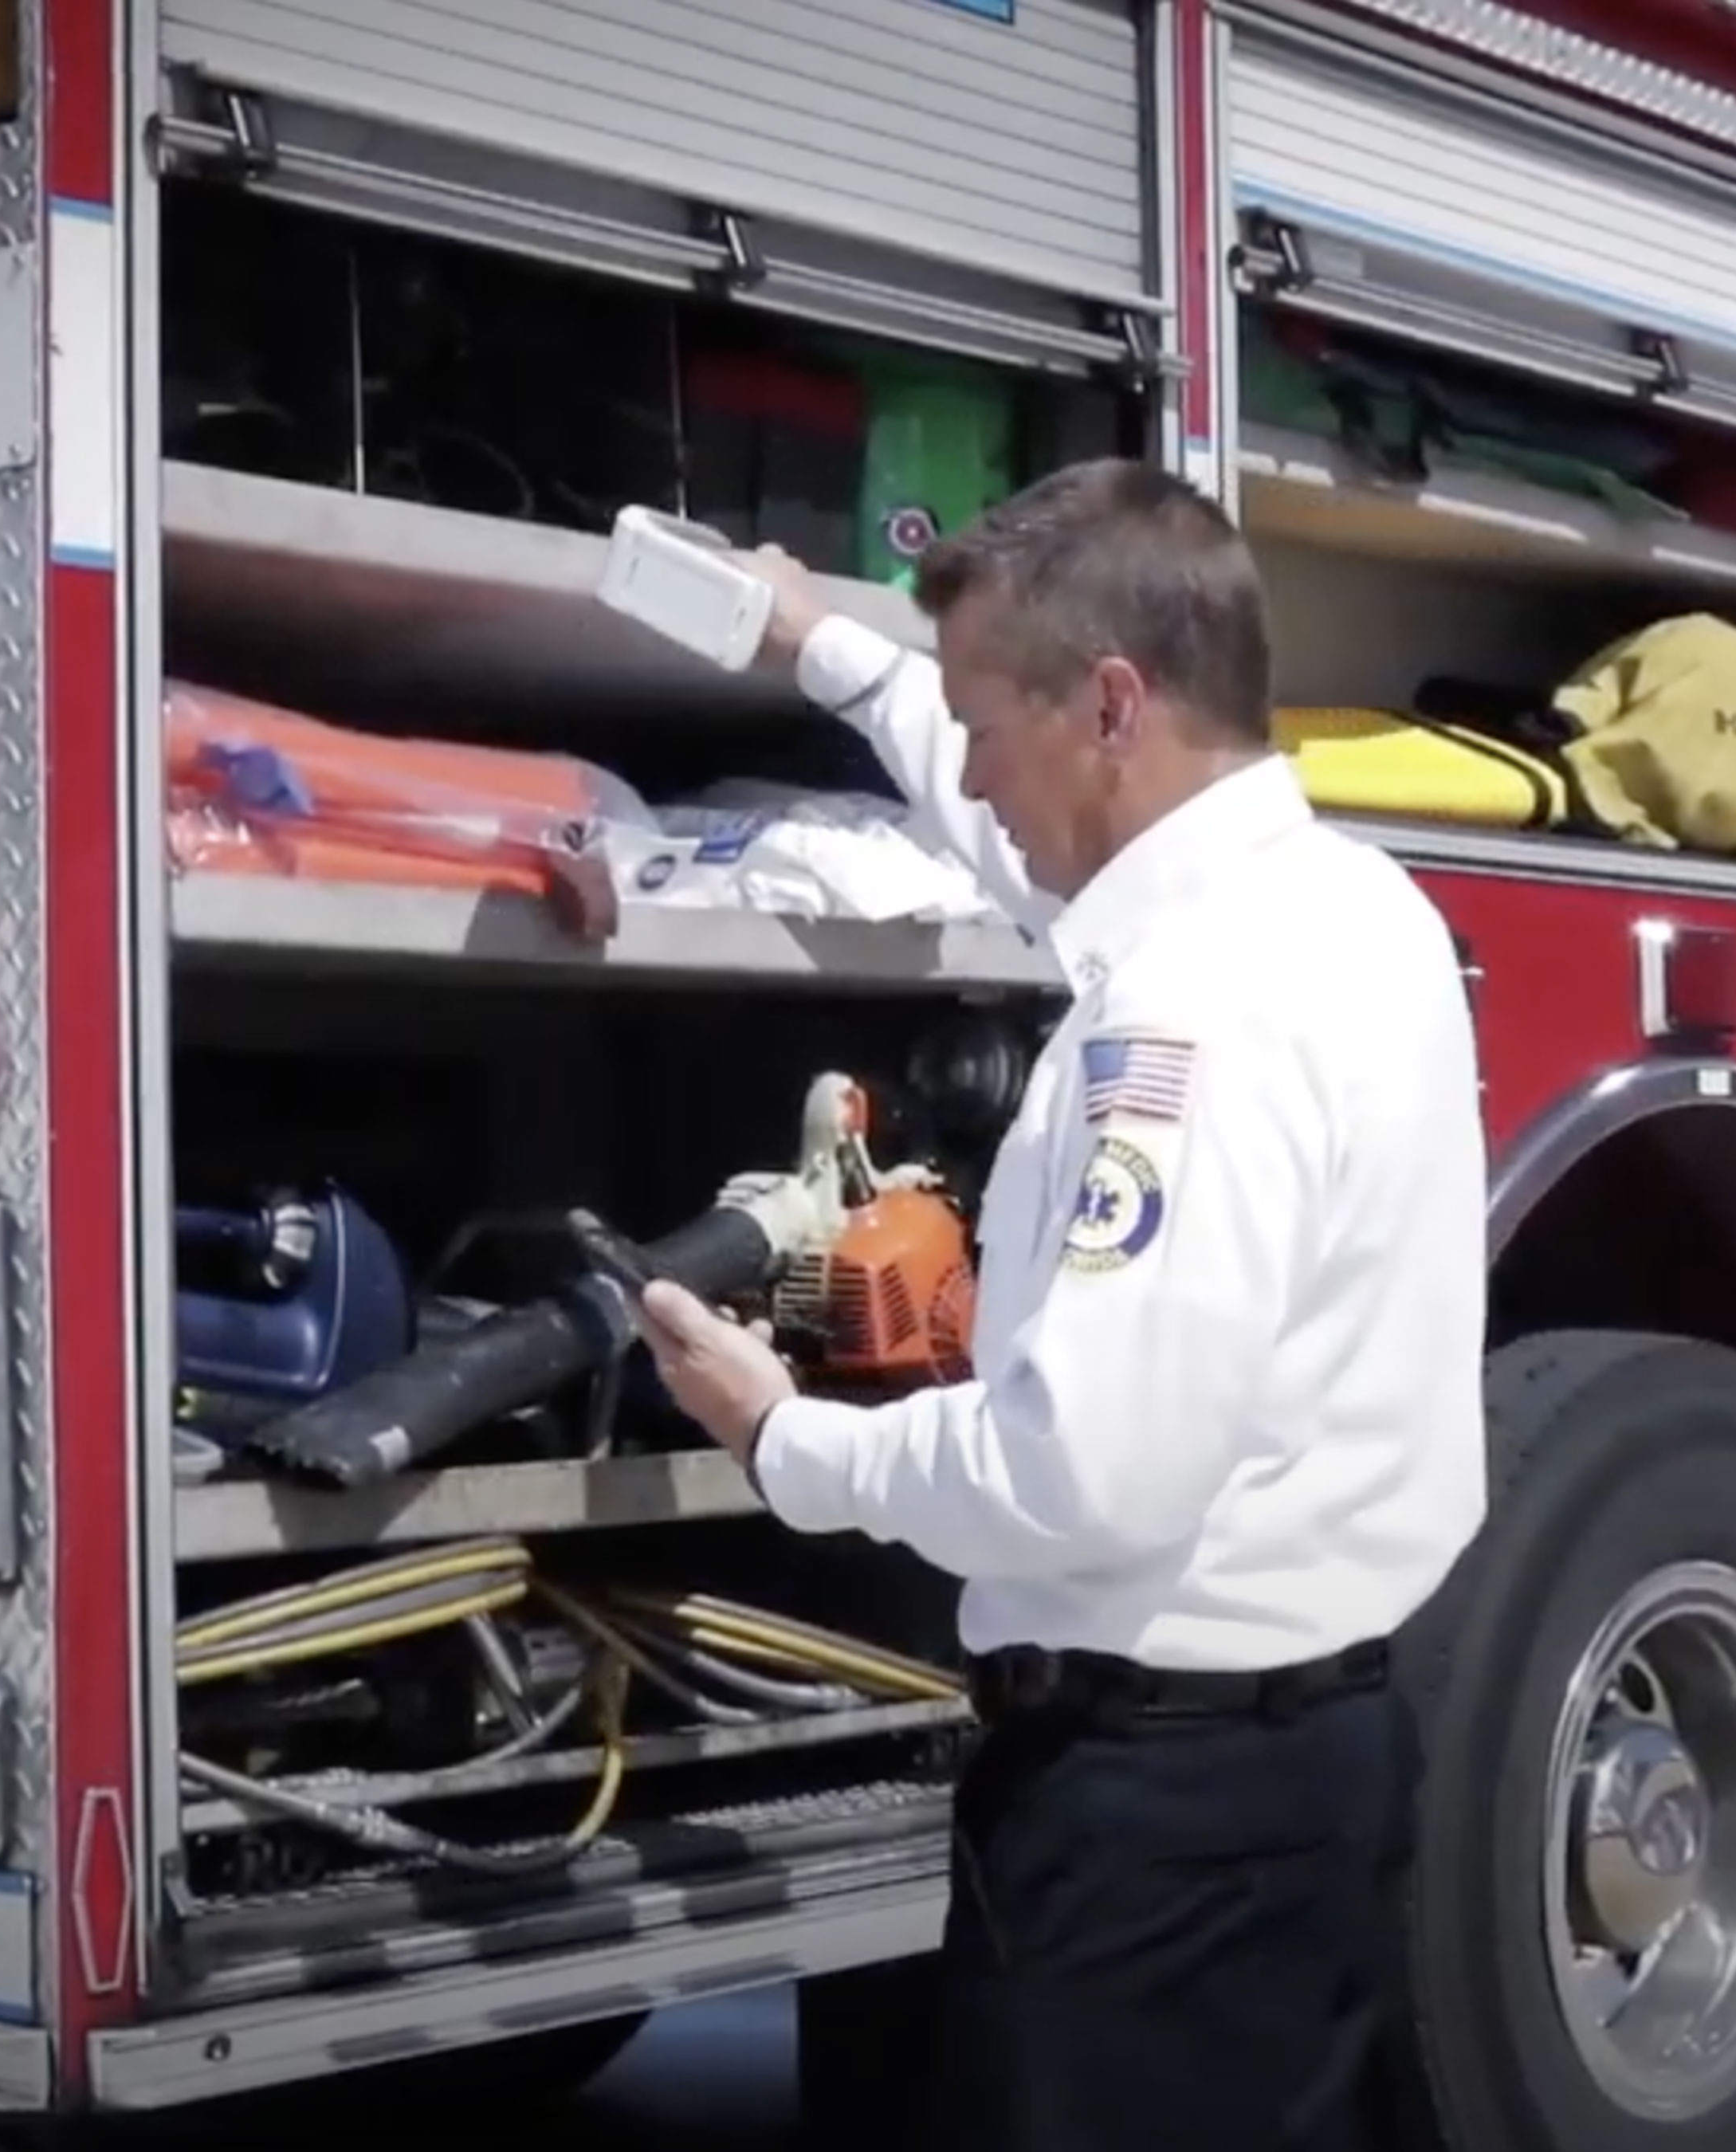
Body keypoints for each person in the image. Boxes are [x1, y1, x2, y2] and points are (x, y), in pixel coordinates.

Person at [632, 456, 1491, 2152]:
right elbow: (1036, 856)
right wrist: (824, 644)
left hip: (1153, 1831)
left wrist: (790, 1439)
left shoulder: (1177, 1022)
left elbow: (1084, 1472)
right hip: (1313, 1771)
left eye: (983, 724)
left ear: (1111, 704)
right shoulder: (1351, 909)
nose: (968, 775)